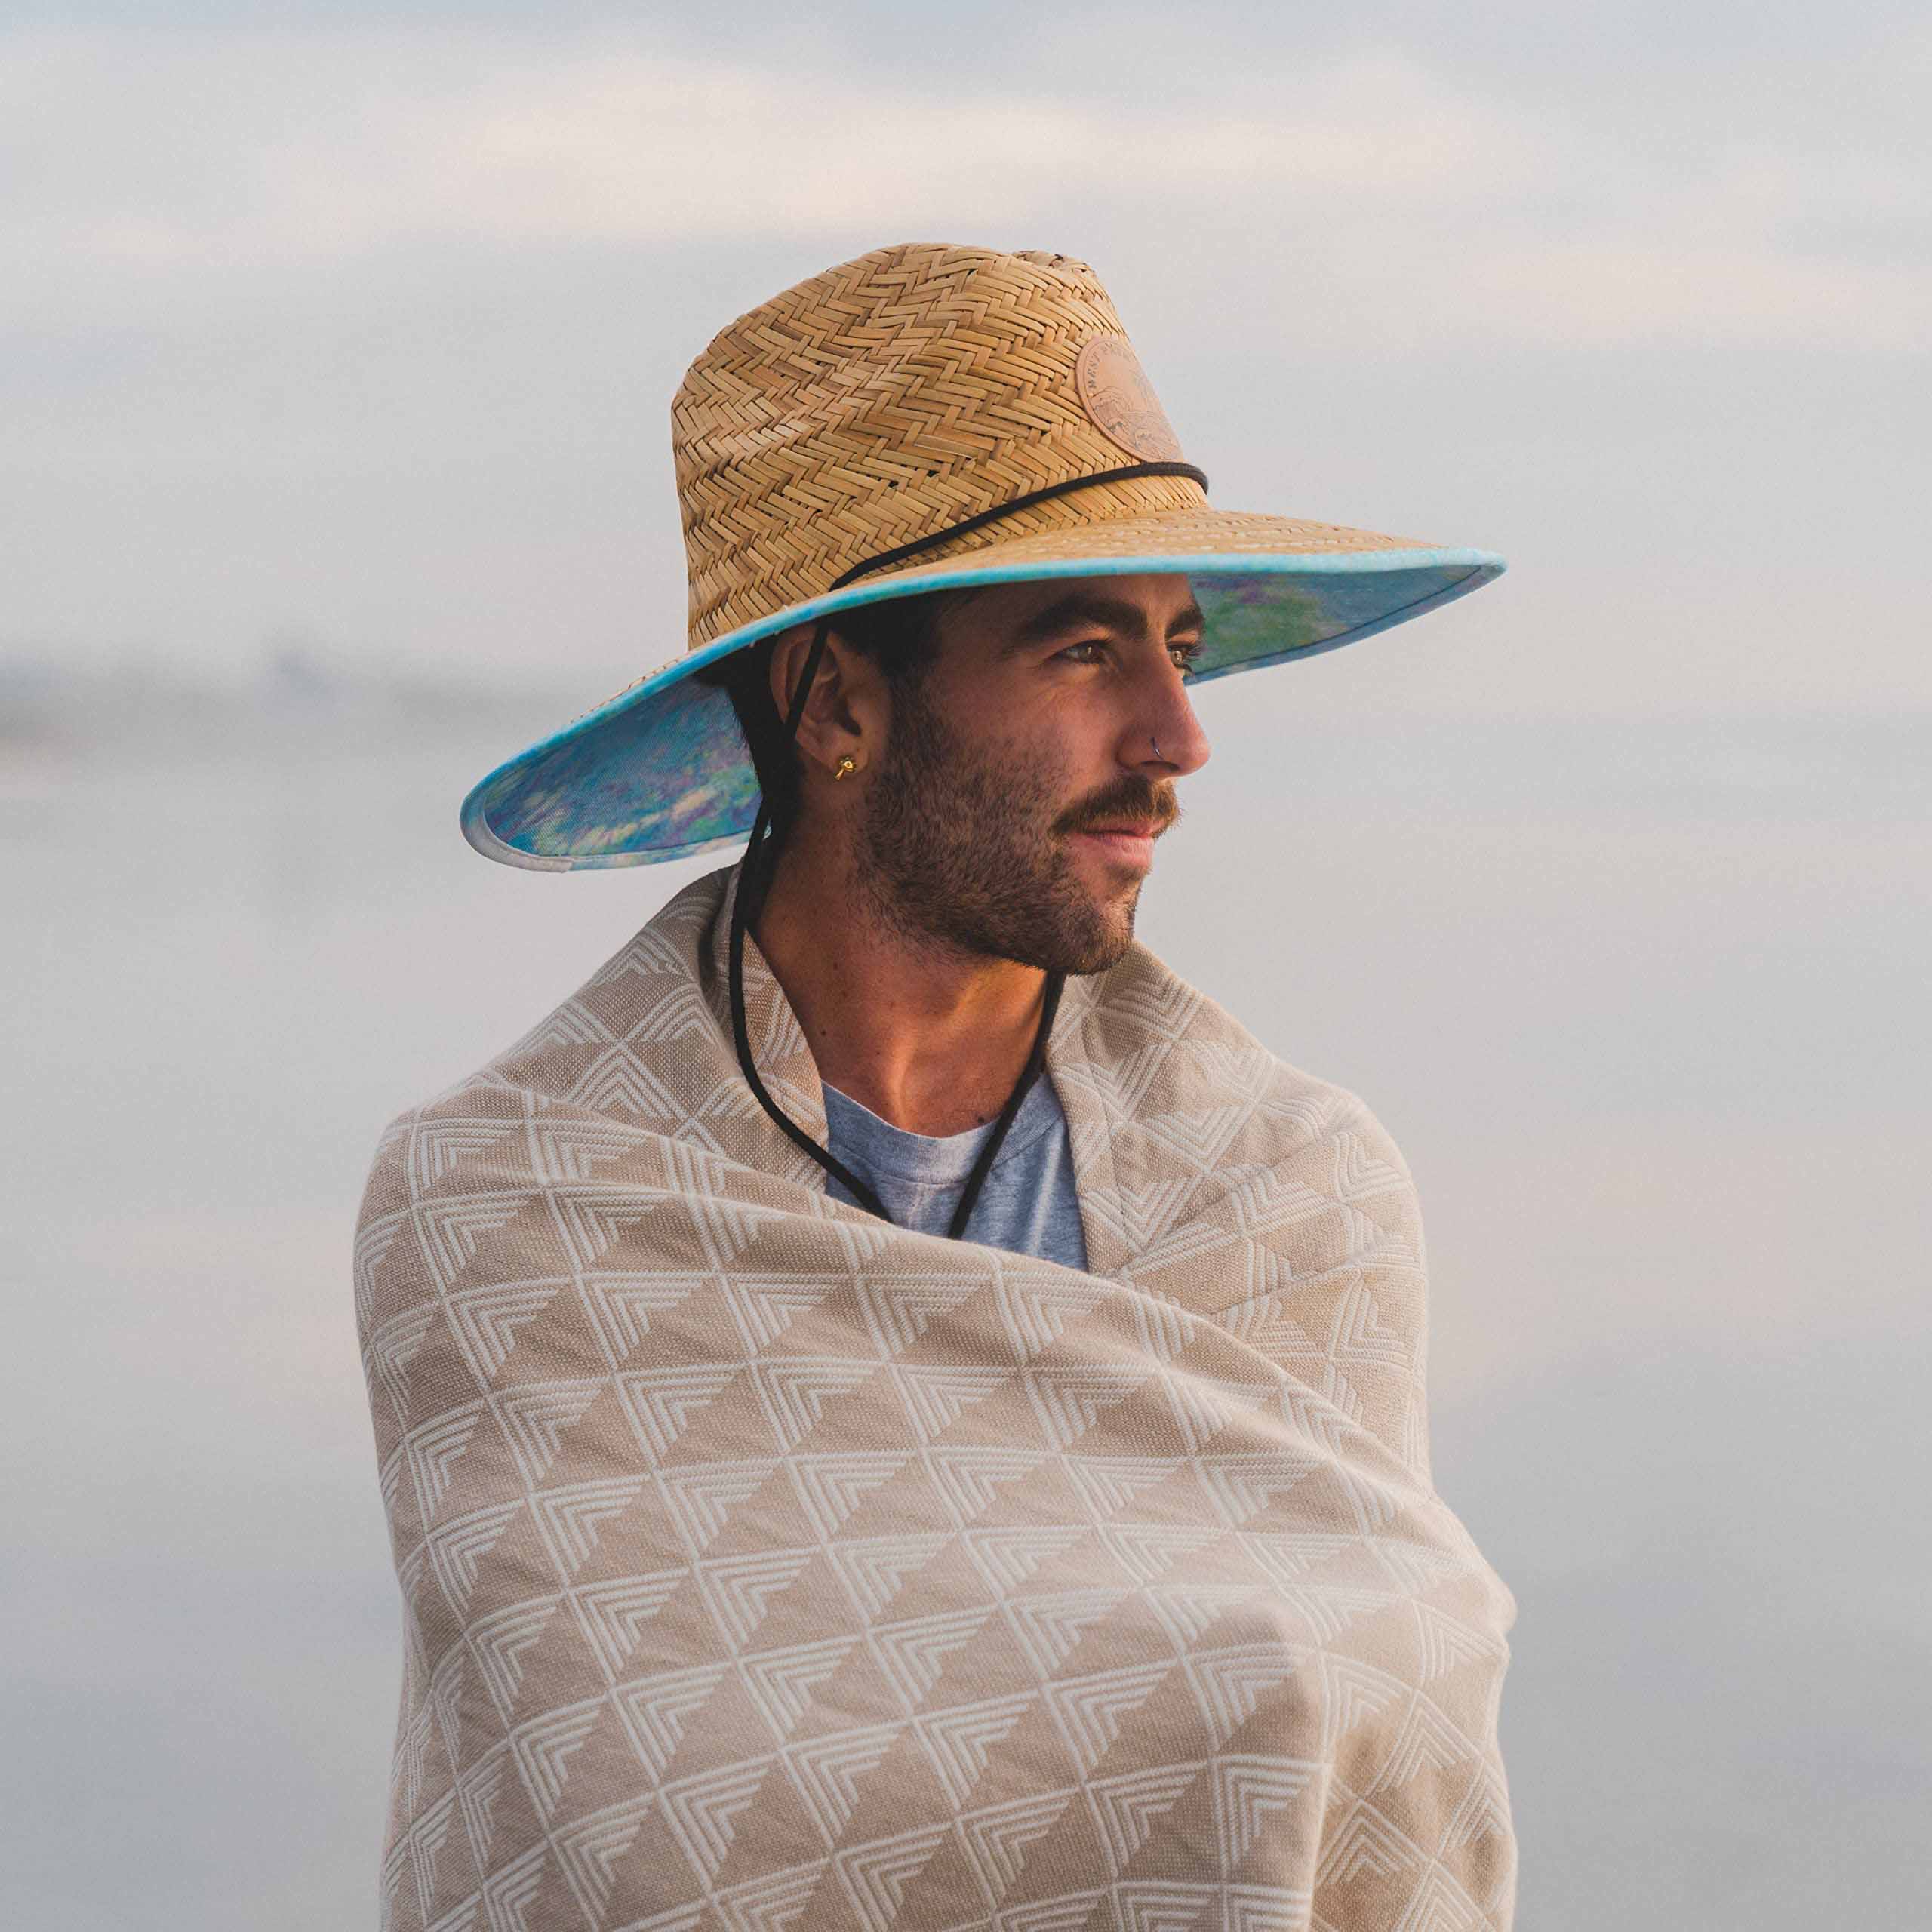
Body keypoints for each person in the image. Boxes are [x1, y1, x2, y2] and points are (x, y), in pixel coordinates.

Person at [356, 243, 1519, 1931]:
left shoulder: (1286, 1184)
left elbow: (1381, 1742)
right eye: (1083, 651)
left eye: (1180, 647)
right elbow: (625, 1818)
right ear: (838, 701)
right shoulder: (512, 1204)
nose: (1178, 735)